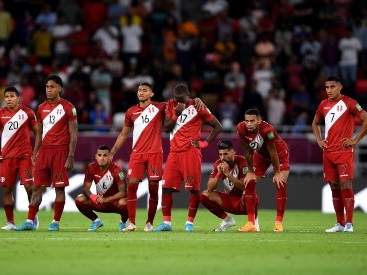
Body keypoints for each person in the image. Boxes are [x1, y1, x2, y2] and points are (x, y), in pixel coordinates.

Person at [109, 82, 204, 232]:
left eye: (145, 90)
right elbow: (123, 134)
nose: (141, 92)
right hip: (137, 153)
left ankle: (149, 223)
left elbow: (182, 100)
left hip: (155, 154)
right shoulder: (130, 112)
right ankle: (132, 223)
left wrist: (196, 99)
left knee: (153, 188)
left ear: (151, 94)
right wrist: (112, 152)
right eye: (139, 90)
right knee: (132, 185)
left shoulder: (161, 107)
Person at [153, 83, 222, 232]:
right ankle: (167, 223)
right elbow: (166, 128)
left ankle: (189, 223)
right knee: (165, 188)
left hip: (191, 153)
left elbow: (218, 126)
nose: (180, 103)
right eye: (177, 99)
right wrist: (176, 113)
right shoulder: (170, 105)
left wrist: (205, 143)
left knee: (194, 190)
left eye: (182, 100)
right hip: (174, 153)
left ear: (188, 95)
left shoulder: (198, 106)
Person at [15, 74, 78, 231]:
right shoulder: (41, 108)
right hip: (44, 152)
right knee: (37, 187)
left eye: (52, 87)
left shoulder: (68, 108)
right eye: (47, 87)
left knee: (59, 188)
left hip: (60, 152)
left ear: (60, 89)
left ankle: (55, 222)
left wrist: (70, 155)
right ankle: (30, 221)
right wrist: (35, 152)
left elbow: (74, 134)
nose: (49, 90)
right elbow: (39, 133)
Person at [311, 76, 367, 233]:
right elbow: (315, 123)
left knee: (345, 184)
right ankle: (339, 223)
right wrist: (319, 140)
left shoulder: (350, 103)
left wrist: (355, 140)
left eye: (332, 87)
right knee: (334, 186)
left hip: (344, 151)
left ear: (340, 87)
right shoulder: (323, 104)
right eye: (327, 87)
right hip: (328, 152)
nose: (329, 90)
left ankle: (349, 224)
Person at [0, 86, 39, 230]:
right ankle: (10, 222)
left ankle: (32, 218)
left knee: (30, 187)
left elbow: (38, 132)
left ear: (18, 98)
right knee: (7, 190)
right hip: (6, 158)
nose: (9, 99)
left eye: (12, 96)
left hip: (25, 157)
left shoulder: (28, 113)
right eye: (7, 97)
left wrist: (36, 152)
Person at [236, 108, 290, 232]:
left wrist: (277, 172)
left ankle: (278, 222)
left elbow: (273, 152)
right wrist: (250, 171)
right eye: (247, 121)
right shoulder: (241, 128)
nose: (249, 124)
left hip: (279, 154)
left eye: (252, 121)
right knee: (249, 182)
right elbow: (247, 150)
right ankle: (251, 223)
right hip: (260, 156)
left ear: (259, 120)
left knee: (280, 182)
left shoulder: (268, 130)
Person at [200, 140, 259, 232]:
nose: (223, 157)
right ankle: (227, 220)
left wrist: (228, 174)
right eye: (220, 154)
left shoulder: (243, 161)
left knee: (249, 190)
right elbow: (210, 188)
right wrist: (219, 173)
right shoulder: (218, 163)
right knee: (204, 195)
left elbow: (245, 187)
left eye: (226, 154)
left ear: (233, 152)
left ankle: (253, 222)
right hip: (230, 201)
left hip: (244, 202)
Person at [75, 145, 128, 232]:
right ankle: (96, 221)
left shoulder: (117, 170)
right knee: (79, 199)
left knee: (125, 202)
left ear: (110, 157)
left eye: (105, 155)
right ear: (96, 156)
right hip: (100, 202)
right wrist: (93, 197)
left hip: (115, 204)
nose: (102, 158)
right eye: (99, 155)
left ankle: (123, 222)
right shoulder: (91, 168)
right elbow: (85, 188)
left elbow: (123, 193)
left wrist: (106, 199)